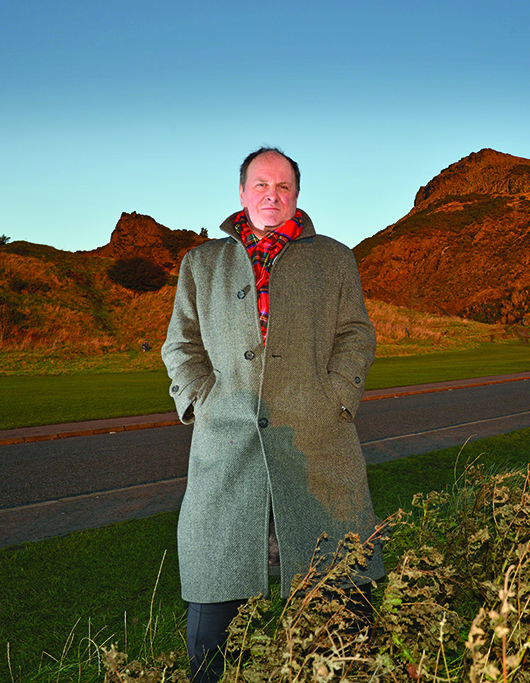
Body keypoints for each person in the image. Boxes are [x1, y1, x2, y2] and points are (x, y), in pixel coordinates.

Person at [162, 147, 384, 683]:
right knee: (212, 629)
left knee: (344, 613)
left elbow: (356, 334)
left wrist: (337, 398)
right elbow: (181, 345)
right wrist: (202, 400)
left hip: (318, 446)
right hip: (226, 449)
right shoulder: (202, 263)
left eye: (283, 187)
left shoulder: (335, 258)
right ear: (242, 193)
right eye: (261, 185)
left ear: (297, 196)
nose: (272, 195)